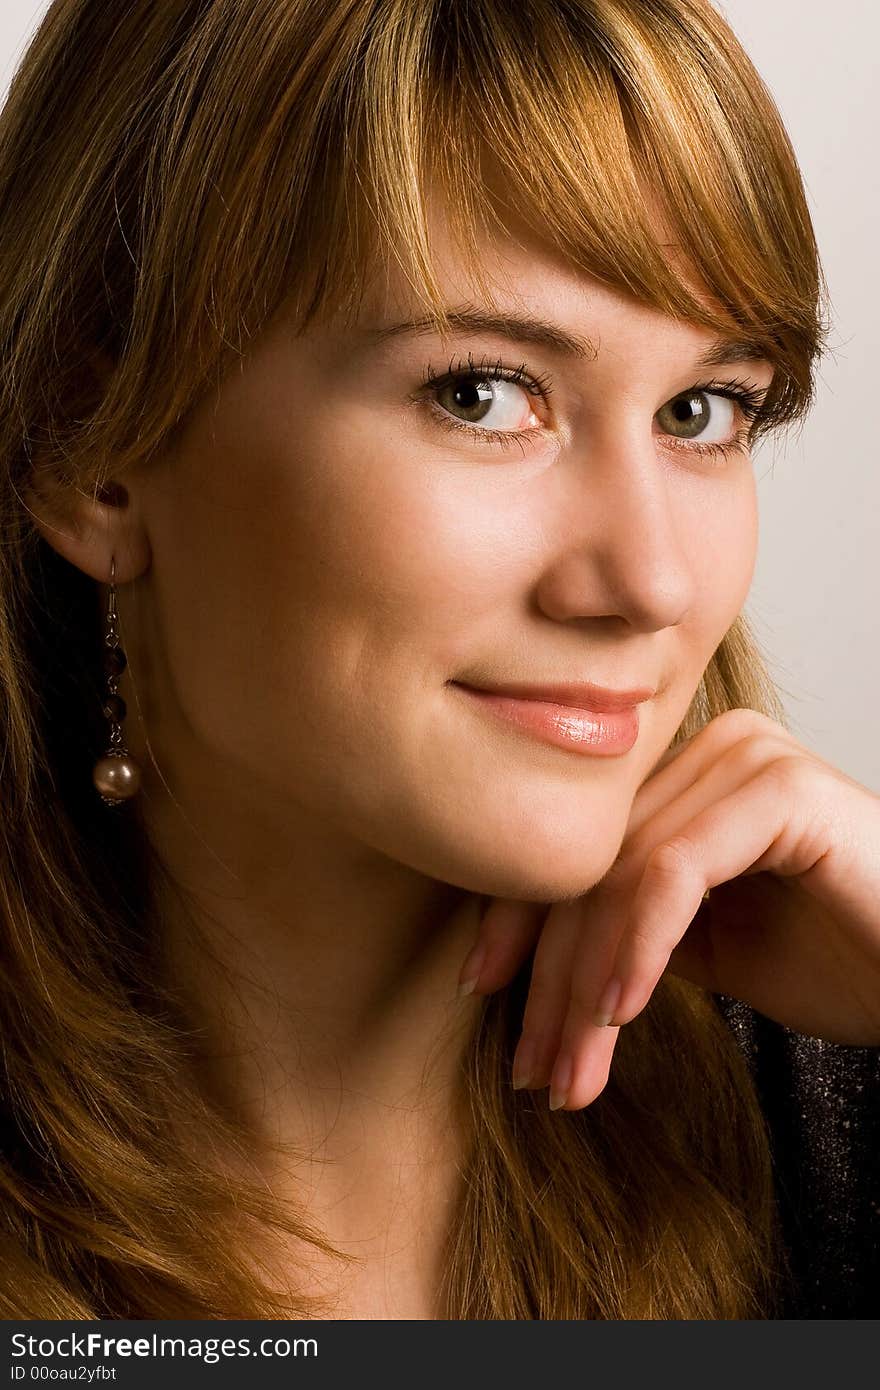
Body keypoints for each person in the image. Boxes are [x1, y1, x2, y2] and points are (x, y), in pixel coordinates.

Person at [0, 0, 877, 1321]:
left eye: (702, 412)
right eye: (482, 390)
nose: (650, 581)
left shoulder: (826, 1116)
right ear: (93, 447)